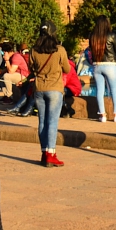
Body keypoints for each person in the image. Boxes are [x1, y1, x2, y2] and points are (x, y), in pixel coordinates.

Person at [31, 20, 69, 167]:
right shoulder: (59, 50)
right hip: (55, 88)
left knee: (42, 122)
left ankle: (43, 152)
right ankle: (51, 154)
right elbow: (67, 69)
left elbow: (32, 69)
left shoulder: (34, 50)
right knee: (52, 122)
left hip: (39, 88)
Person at [88, 16, 116, 123]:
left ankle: (102, 115)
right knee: (114, 90)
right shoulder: (112, 36)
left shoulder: (92, 37)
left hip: (96, 65)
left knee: (99, 91)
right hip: (110, 65)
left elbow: (90, 51)